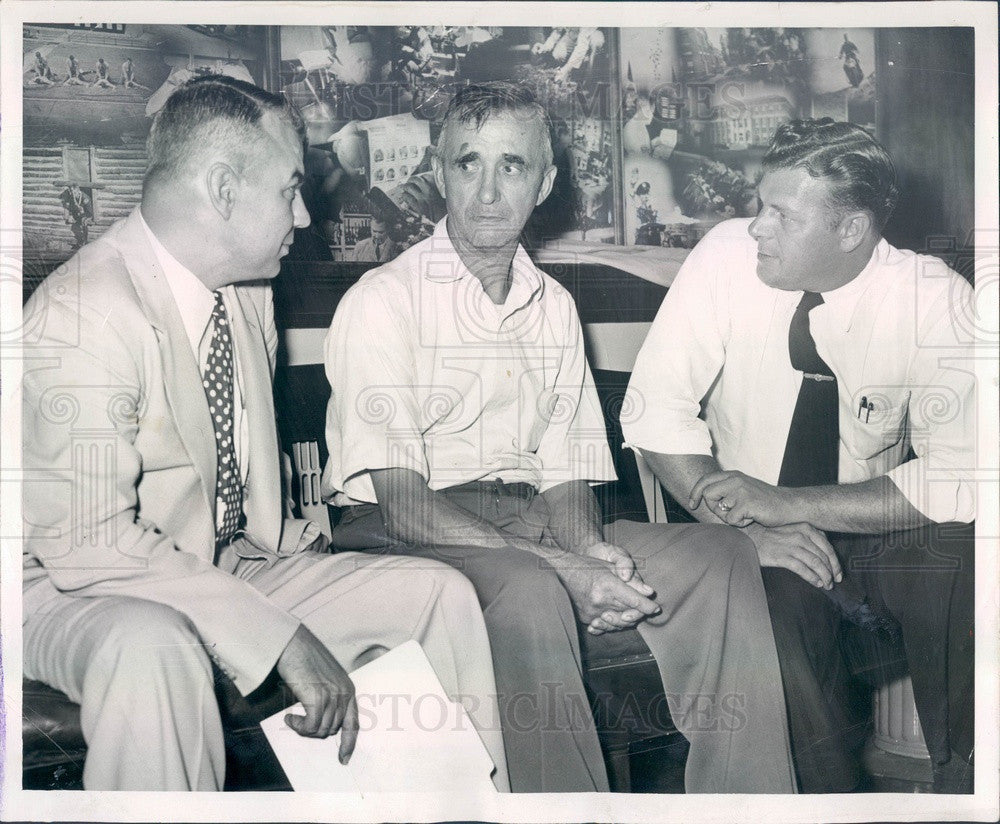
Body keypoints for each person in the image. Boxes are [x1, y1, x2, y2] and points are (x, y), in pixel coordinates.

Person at [22, 75, 509, 792]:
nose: (306, 217)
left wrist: (289, 566)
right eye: (289, 190)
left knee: (436, 595)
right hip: (72, 587)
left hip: (223, 565)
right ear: (222, 189)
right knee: (154, 646)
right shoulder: (86, 312)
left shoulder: (246, 296)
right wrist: (278, 637)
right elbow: (88, 543)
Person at [322, 81, 797, 794]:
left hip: (528, 522)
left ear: (543, 183)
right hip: (405, 532)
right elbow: (406, 509)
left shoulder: (554, 306)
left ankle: (746, 806)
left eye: (510, 166)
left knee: (720, 555)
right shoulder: (382, 302)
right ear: (437, 170)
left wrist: (589, 548)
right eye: (467, 164)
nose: (487, 192)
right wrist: (567, 570)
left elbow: (566, 473)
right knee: (532, 586)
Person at [624, 118, 975, 793]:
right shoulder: (726, 257)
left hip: (870, 540)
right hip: (743, 539)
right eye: (761, 202)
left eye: (781, 213)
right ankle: (823, 802)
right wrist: (750, 526)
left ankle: (969, 783)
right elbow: (654, 408)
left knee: (963, 555)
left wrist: (785, 504)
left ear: (851, 231)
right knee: (769, 612)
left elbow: (962, 477)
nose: (757, 226)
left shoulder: (933, 301)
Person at [58, 182, 92, 249]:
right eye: (71, 191)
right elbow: (70, 207)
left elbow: (90, 212)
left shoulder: (85, 198)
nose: (72, 193)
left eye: (74, 192)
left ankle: (85, 241)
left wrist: (84, 216)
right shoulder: (72, 197)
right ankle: (80, 243)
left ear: (78, 191)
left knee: (83, 222)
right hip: (78, 214)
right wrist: (70, 215)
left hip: (87, 214)